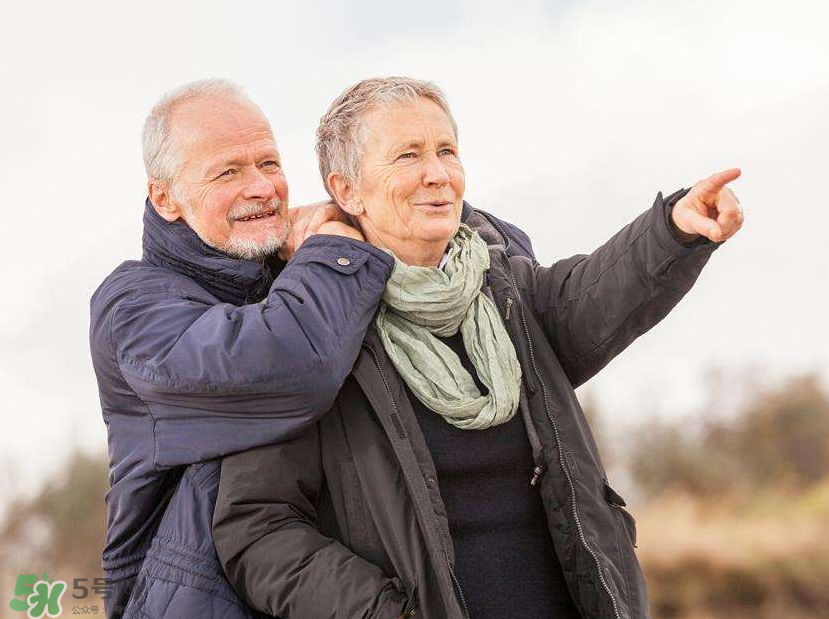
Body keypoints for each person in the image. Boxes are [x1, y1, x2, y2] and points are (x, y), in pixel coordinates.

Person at [213, 77, 744, 619]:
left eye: (447, 151)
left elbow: (594, 295)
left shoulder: (509, 291)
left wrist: (675, 231)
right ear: (347, 191)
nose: (437, 173)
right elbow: (258, 529)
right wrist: (381, 612)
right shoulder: (306, 329)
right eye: (408, 155)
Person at [89, 79, 400, 619]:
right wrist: (338, 244)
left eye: (269, 163)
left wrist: (350, 219)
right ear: (165, 197)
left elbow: (460, 240)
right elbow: (295, 367)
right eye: (228, 172)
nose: (261, 187)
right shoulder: (133, 311)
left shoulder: (296, 272)